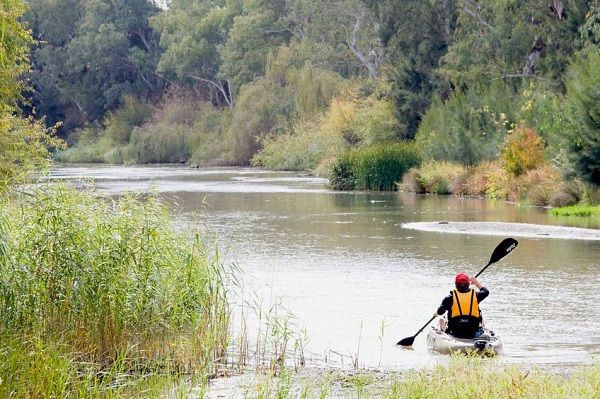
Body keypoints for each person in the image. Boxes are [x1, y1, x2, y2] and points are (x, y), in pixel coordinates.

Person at [434, 273, 489, 339]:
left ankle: (446, 334)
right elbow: (486, 291)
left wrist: (435, 314)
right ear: (468, 284)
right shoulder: (476, 296)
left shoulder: (449, 298)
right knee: (482, 320)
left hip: (455, 333)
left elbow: (440, 312)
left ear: (456, 285)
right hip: (473, 331)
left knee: (441, 319)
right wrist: (475, 282)